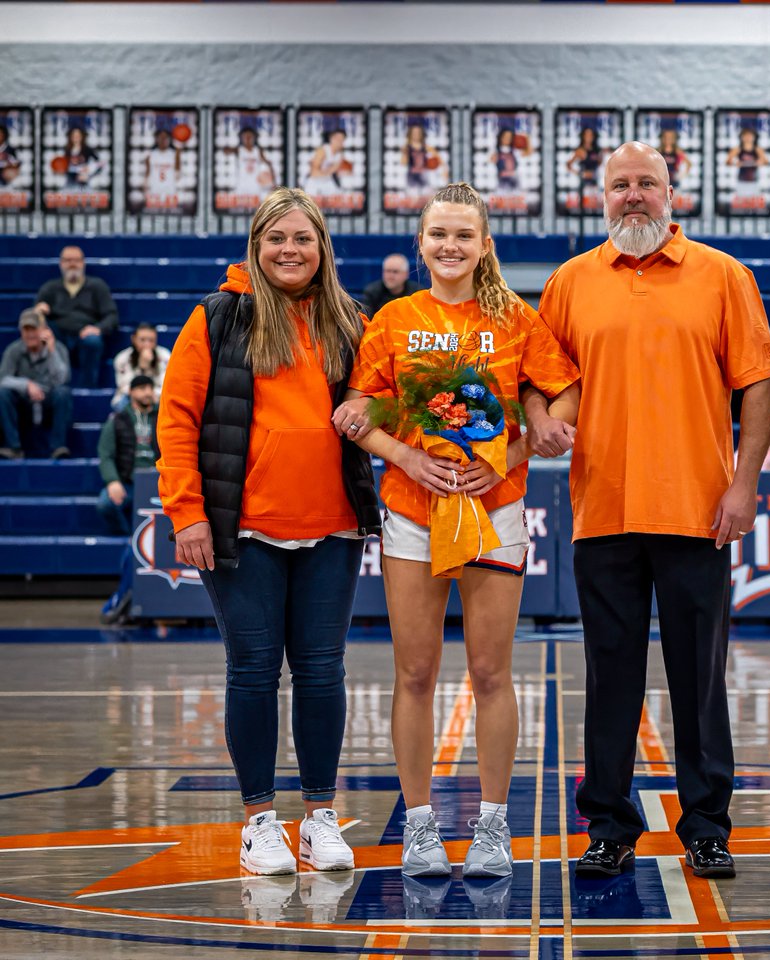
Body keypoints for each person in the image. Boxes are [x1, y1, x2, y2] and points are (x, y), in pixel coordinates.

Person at [531, 141, 770, 880]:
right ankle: (609, 823)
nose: (633, 196)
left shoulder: (723, 277)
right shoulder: (570, 283)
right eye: (620, 186)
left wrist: (744, 482)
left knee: (698, 679)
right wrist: (537, 415)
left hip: (698, 509)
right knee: (610, 677)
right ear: (601, 197)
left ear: (673, 193)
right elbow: (538, 380)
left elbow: (759, 385)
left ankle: (707, 825)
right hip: (602, 509)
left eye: (646, 183)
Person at [334, 181, 580, 879]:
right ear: (421, 243)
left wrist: (523, 445)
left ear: (484, 246)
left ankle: (493, 827)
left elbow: (565, 394)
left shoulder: (515, 319)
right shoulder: (392, 319)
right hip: (413, 510)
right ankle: (418, 827)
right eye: (438, 234)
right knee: (414, 673)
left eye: (463, 235)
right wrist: (404, 452)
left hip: (494, 509)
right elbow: (359, 410)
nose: (450, 246)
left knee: (490, 672)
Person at [156, 187, 381, 876]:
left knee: (321, 673)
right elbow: (177, 418)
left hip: (334, 530)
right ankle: (259, 823)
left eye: (302, 239)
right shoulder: (219, 317)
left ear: (323, 248)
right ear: (256, 245)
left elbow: (384, 409)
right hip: (241, 530)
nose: (290, 250)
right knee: (252, 672)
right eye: (276, 238)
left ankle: (318, 819)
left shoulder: (353, 320)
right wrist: (186, 511)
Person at [96, 374, 160, 625]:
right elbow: (105, 453)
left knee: (140, 538)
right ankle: (128, 531)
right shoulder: (119, 419)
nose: (147, 393)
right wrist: (112, 481)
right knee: (104, 502)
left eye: (150, 388)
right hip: (129, 481)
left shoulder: (162, 415)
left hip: (157, 482)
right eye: (142, 389)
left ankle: (133, 535)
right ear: (131, 392)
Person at [33, 245, 118, 388]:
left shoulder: (97, 286)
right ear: (61, 263)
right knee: (43, 336)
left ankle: (87, 389)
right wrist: (38, 311)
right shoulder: (50, 288)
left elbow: (112, 316)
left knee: (93, 342)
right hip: (58, 336)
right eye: (67, 260)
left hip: (84, 336)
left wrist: (97, 329)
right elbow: (33, 318)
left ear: (83, 263)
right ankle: (52, 387)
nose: (72, 264)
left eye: (76, 260)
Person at [0, 309, 72, 460]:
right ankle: (13, 447)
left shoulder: (58, 349)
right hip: (23, 406)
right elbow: (3, 379)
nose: (30, 334)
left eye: (33, 329)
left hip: (48, 405)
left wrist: (52, 352)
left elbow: (63, 379)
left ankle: (58, 447)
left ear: (44, 330)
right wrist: (26, 384)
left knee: (63, 393)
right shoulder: (13, 350)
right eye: (26, 329)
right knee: (3, 393)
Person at [111, 323, 171, 410]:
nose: (147, 344)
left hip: (155, 397)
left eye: (151, 340)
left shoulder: (165, 356)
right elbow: (124, 387)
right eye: (142, 340)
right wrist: (142, 368)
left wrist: (149, 395)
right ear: (134, 339)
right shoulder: (122, 358)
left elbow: (164, 386)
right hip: (130, 398)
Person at [361, 254, 422, 319]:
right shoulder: (372, 292)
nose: (390, 276)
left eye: (395, 272)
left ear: (406, 274)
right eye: (387, 271)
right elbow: (367, 321)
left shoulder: (417, 293)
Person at [225, 126, 276, 198]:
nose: (248, 139)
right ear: (242, 138)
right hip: (241, 187)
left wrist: (272, 182)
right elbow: (226, 151)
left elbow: (268, 164)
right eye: (245, 137)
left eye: (250, 137)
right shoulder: (239, 150)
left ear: (254, 138)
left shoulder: (258, 151)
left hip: (255, 187)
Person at [143, 128, 181, 207]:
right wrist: (145, 189)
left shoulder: (174, 154)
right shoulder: (150, 155)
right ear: (156, 139)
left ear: (169, 140)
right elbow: (147, 174)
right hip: (154, 192)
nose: (163, 140)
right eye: (161, 137)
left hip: (170, 193)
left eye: (165, 138)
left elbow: (178, 175)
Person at [305, 128, 348, 197]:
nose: (339, 142)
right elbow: (313, 172)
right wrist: (324, 173)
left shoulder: (339, 155)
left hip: (327, 180)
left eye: (342, 140)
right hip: (314, 181)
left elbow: (333, 171)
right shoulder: (323, 150)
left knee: (338, 197)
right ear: (331, 139)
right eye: (337, 139)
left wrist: (325, 173)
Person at [403, 123, 441, 190]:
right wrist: (405, 153)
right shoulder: (408, 147)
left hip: (423, 174)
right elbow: (403, 162)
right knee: (413, 195)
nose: (416, 134)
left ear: (422, 134)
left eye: (418, 132)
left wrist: (435, 164)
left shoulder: (425, 147)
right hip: (412, 175)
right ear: (410, 134)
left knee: (425, 195)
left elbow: (438, 156)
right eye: (414, 132)